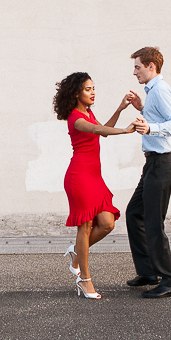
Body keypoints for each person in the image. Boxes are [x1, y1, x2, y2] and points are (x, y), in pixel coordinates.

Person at [52, 72, 142, 299]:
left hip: (94, 177)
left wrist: (120, 109)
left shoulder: (88, 113)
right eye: (88, 89)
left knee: (107, 223)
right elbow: (96, 130)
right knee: (84, 227)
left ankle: (76, 252)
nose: (93, 93)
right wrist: (125, 130)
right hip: (79, 177)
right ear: (76, 93)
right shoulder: (75, 118)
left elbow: (103, 130)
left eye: (93, 88)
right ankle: (84, 280)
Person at [122, 46, 171, 298]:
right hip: (153, 163)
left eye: (137, 67)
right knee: (134, 213)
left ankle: (169, 280)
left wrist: (150, 129)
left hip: (162, 163)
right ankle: (148, 271)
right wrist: (142, 108)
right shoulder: (153, 92)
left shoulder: (160, 89)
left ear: (151, 66)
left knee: (152, 221)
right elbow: (158, 117)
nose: (134, 72)